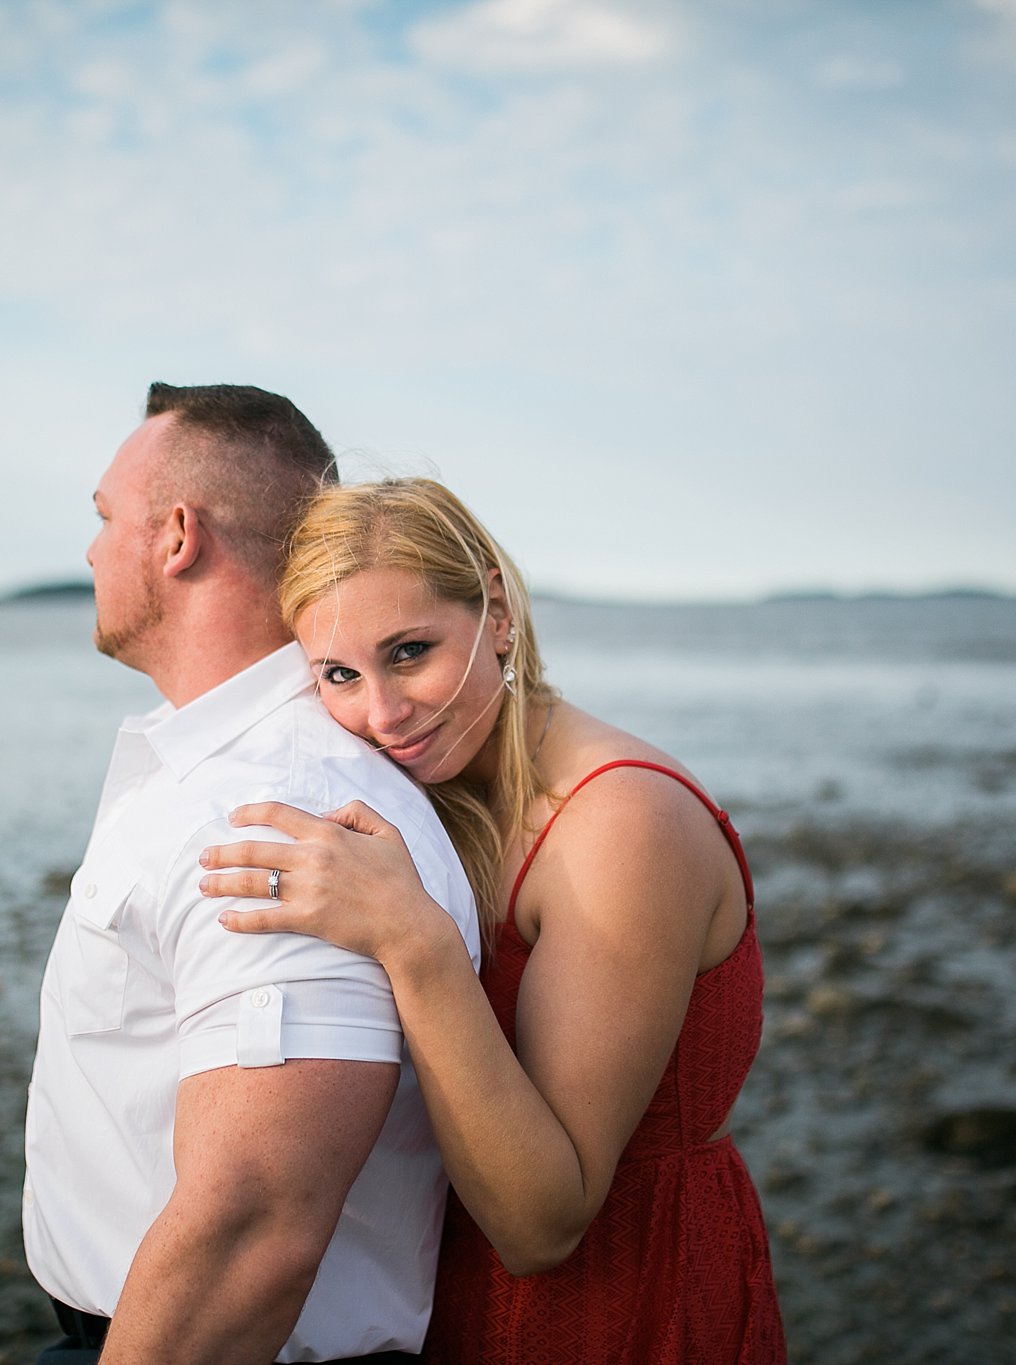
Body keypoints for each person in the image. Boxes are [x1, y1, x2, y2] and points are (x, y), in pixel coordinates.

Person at [198, 478, 786, 1365]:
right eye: (340, 674)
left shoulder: (622, 827)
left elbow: (543, 1224)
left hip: (624, 1306)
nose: (384, 713)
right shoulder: (441, 803)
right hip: (449, 1297)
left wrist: (410, 938)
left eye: (410, 650)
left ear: (498, 612)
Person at [23, 389, 480, 1365]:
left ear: (177, 536)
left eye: (106, 518)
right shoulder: (228, 773)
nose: (93, 551)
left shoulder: (276, 805)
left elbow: (255, 1227)